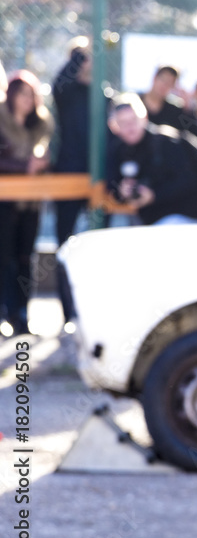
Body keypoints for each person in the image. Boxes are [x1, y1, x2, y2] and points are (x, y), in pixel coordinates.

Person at [51, 37, 104, 328]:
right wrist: (81, 55)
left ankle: (94, 311)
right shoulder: (67, 92)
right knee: (64, 245)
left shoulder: (101, 94)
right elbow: (60, 80)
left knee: (99, 244)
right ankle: (67, 313)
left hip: (98, 178)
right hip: (69, 174)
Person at [106, 93, 197, 226]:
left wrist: (154, 195)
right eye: (123, 122)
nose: (130, 127)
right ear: (114, 126)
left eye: (133, 120)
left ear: (144, 117)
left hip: (179, 218)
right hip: (145, 221)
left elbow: (189, 181)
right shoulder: (118, 150)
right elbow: (111, 184)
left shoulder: (166, 142)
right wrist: (122, 190)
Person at [0, 71, 52, 336]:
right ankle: (3, 314)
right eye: (22, 94)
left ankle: (22, 314)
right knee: (3, 257)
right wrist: (24, 166)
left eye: (31, 94)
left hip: (30, 202)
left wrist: (41, 165)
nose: (27, 100)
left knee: (24, 258)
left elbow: (50, 156)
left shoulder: (41, 125)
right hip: (4, 201)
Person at [141, 65, 190, 134]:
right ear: (155, 78)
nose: (164, 85)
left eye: (169, 83)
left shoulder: (175, 110)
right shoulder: (134, 103)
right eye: (163, 80)